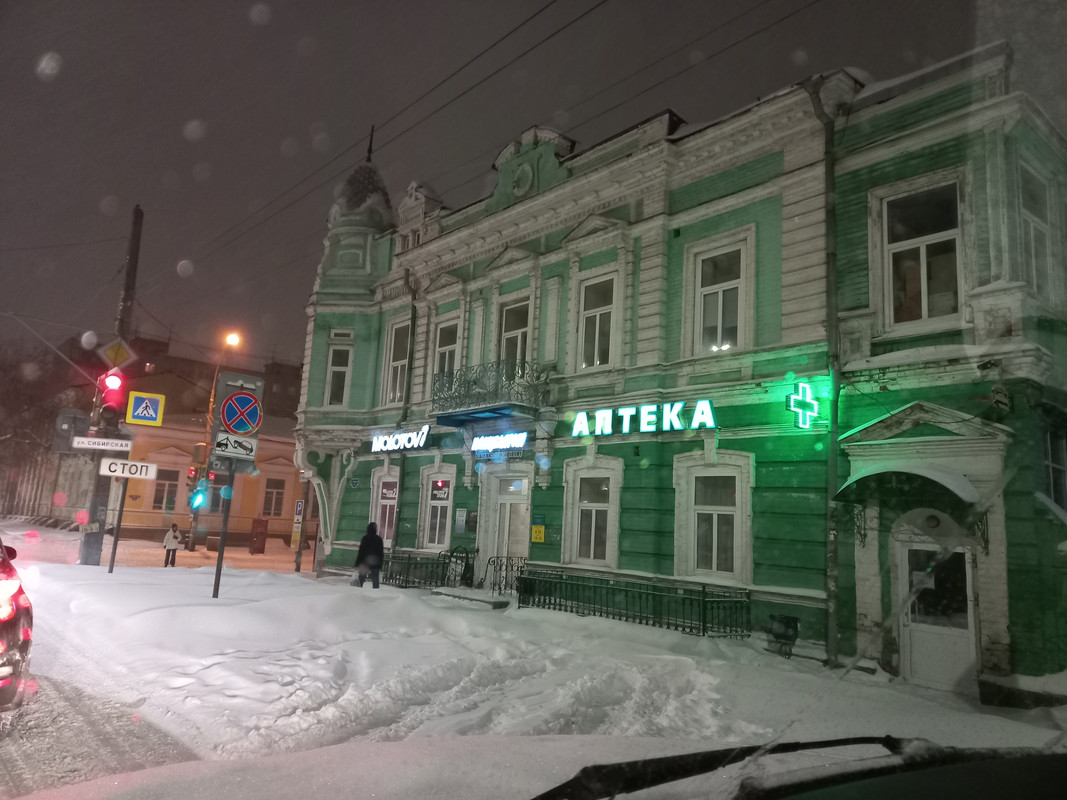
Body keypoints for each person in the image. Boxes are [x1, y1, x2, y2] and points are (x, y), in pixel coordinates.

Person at [352, 522, 383, 588]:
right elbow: (381, 553)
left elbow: (361, 552)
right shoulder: (379, 539)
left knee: (361, 578)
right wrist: (380, 564)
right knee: (375, 579)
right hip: (375, 562)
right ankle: (375, 593)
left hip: (365, 562)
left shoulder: (365, 538)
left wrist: (357, 564)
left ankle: (357, 592)